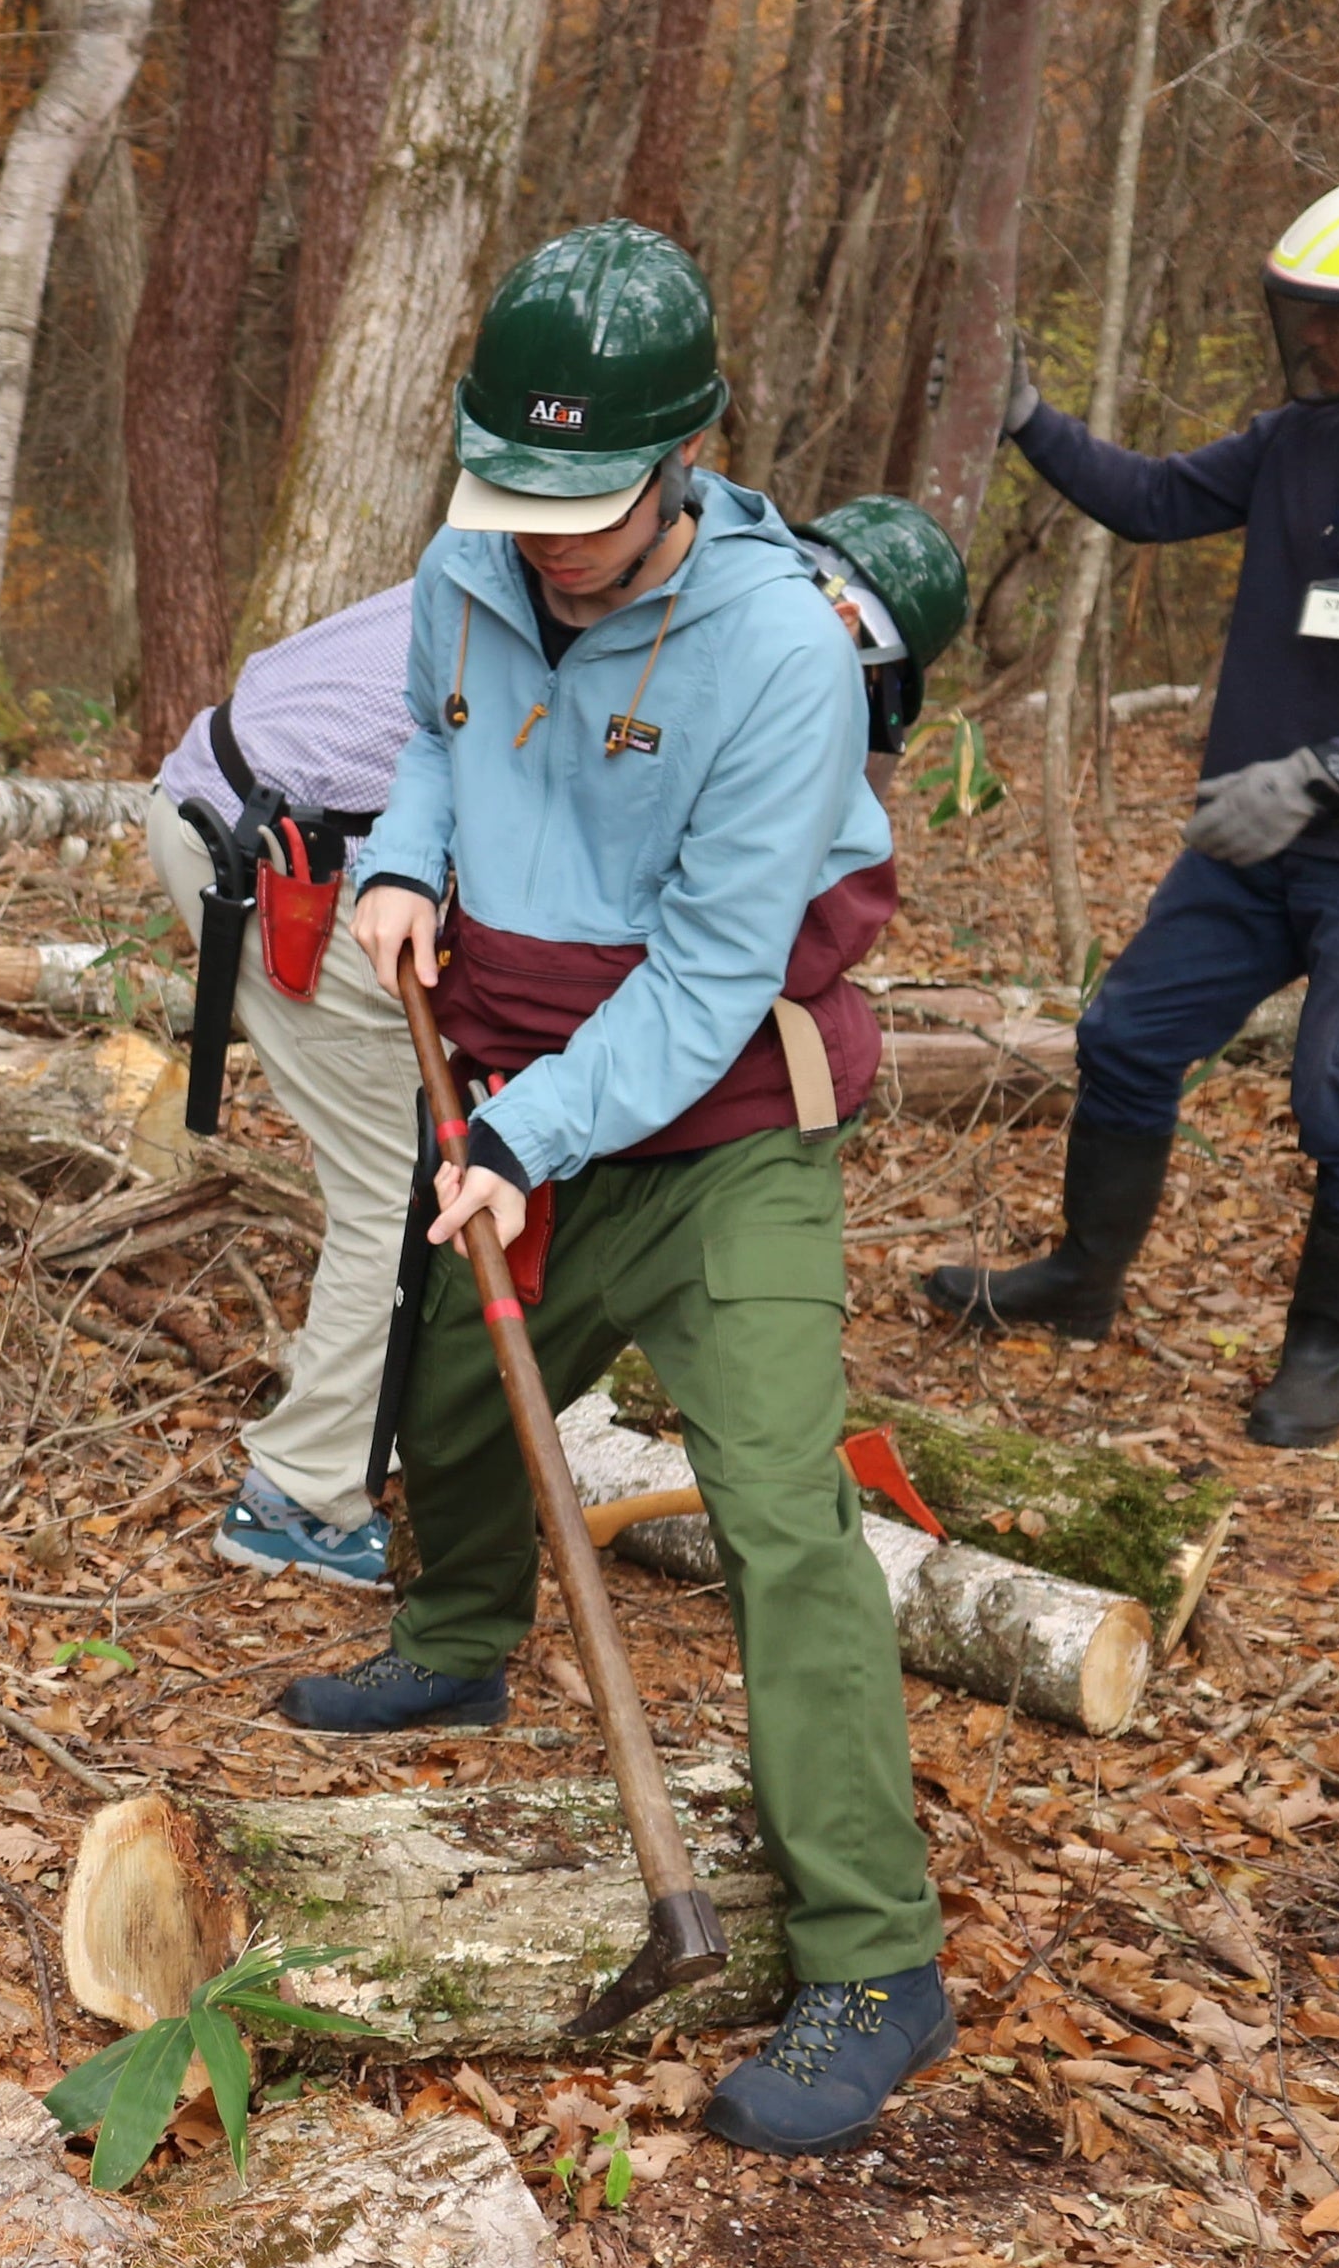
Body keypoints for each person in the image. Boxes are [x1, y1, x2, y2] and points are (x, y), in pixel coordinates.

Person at [290, 224, 950, 2156]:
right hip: (516, 1079)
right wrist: (407, 862)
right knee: (451, 1393)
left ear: (685, 461)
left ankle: (875, 1960)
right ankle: (459, 1648)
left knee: (780, 1513)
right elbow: (435, 741)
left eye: (582, 503)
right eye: (517, 491)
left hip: (724, 1123)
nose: (544, 536)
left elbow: (708, 980)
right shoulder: (464, 563)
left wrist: (515, 1143)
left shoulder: (778, 656)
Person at [150, 499, 962, 1594]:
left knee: (463, 1155)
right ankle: (302, 1494)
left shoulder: (641, 567)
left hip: (254, 795)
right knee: (425, 1171)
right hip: (293, 847)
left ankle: (393, 1447)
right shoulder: (620, 601)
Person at [926, 171, 1339, 1448]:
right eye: (1299, 315)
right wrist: (1025, 417)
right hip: (1250, 839)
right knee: (1125, 1034)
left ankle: (1322, 1349)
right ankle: (1081, 1280)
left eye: (1335, 320)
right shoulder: (1296, 443)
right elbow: (1154, 499)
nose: (1308, 342)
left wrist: (1320, 774)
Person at [148, 584, 419, 1587]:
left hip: (223, 793)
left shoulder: (561, 533)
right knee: (400, 1186)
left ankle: (384, 1413)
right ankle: (299, 1497)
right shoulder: (601, 592)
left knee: (402, 1152)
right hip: (284, 853)